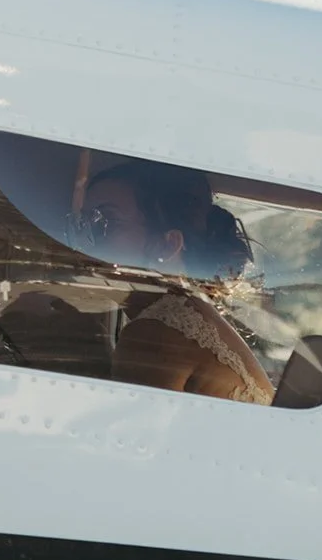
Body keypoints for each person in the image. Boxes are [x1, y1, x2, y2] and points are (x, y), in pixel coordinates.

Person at [76, 159, 274, 405]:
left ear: (166, 244)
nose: (82, 238)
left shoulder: (155, 332)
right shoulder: (188, 311)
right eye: (82, 222)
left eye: (105, 223)